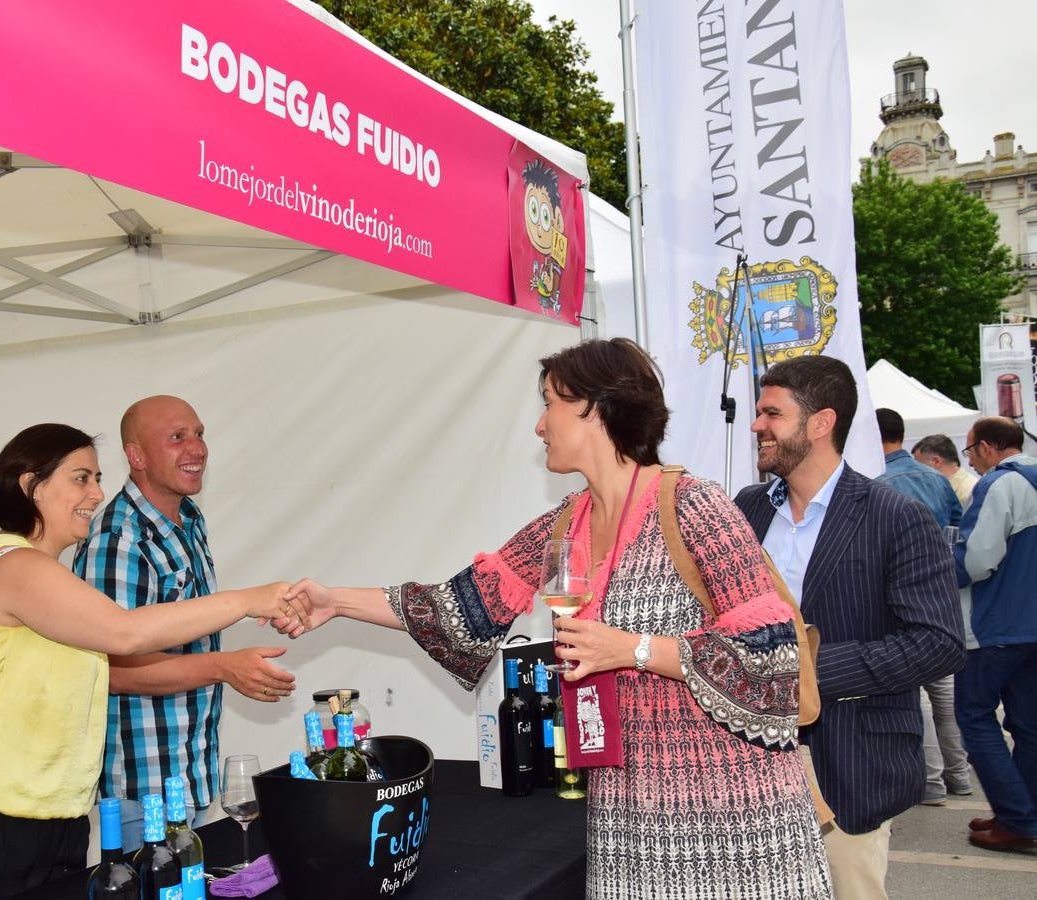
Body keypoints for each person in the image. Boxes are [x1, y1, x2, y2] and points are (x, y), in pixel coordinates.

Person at [282, 338, 832, 898]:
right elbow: (461, 609)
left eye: (549, 403)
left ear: (595, 406)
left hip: (732, 820)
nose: (539, 426)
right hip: (626, 816)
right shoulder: (565, 524)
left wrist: (635, 650)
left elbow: (770, 657)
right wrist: (337, 601)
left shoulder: (695, 505)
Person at [0, 423, 296, 897]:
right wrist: (248, 600)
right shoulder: (12, 566)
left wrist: (224, 665)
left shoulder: (49, 579)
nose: (98, 493)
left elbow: (118, 670)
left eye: (98, 478)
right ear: (29, 485)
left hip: (54, 816)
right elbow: (127, 632)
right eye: (81, 478)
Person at [733, 355, 965, 900]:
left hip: (847, 761)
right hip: (748, 758)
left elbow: (939, 643)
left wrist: (804, 673)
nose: (756, 425)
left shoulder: (895, 515)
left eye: (772, 413)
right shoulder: (746, 510)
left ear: (821, 423)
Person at [73, 396, 296, 850]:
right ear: (136, 456)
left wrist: (255, 613)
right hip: (143, 784)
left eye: (199, 434)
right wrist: (224, 666)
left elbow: (185, 630)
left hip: (190, 768)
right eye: (177, 437)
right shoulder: (118, 538)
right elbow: (110, 669)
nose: (197, 448)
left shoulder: (189, 518)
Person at [873, 408, 972, 804]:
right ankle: (960, 775)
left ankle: (931, 783)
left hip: (895, 598)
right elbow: (958, 528)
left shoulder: (876, 484)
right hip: (940, 594)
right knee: (944, 694)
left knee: (917, 695)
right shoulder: (935, 477)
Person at [953, 416, 1037, 851]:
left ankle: (1018, 819)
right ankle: (1020, 813)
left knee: (974, 716)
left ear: (986, 447)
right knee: (1028, 725)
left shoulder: (998, 484)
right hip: (1031, 624)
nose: (971, 459)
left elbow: (976, 559)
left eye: (969, 451)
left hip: (996, 624)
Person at [913, 433, 979, 507]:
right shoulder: (944, 487)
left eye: (918, 465)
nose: (916, 471)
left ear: (936, 461)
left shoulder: (968, 491)